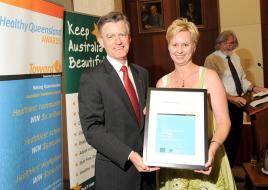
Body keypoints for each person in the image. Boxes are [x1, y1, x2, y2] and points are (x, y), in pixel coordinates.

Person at [78, 11, 159, 190]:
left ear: (129, 38)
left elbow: (141, 119)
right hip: (116, 175)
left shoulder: (141, 74)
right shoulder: (92, 78)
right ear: (101, 42)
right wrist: (130, 155)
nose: (118, 41)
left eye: (122, 34)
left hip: (147, 173)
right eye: (110, 36)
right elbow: (92, 129)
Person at [156, 19, 236, 189]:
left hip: (208, 159)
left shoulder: (209, 77)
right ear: (168, 46)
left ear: (194, 46)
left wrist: (212, 150)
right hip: (173, 167)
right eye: (174, 44)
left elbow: (224, 122)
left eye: (185, 44)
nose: (179, 50)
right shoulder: (161, 83)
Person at [204, 30, 268, 167]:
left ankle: (231, 172)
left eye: (232, 43)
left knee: (235, 140)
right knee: (226, 141)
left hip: (238, 103)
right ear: (219, 43)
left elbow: (241, 79)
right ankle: (222, 172)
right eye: (227, 43)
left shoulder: (235, 57)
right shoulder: (211, 59)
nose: (230, 46)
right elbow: (213, 86)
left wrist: (255, 88)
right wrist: (231, 98)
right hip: (223, 104)